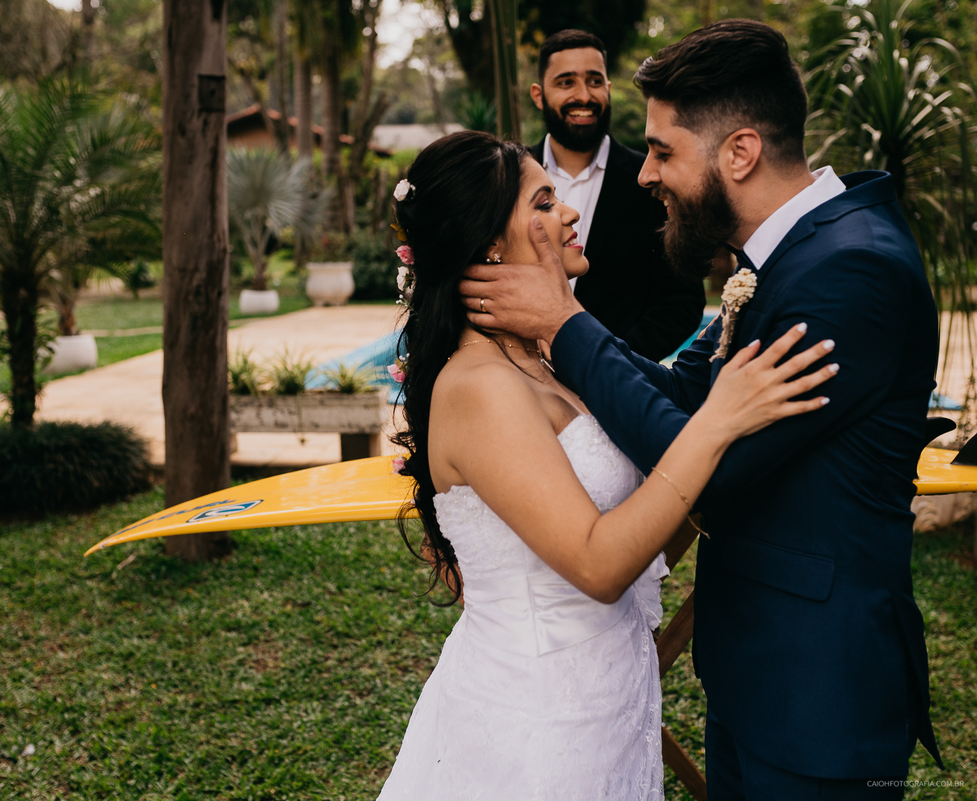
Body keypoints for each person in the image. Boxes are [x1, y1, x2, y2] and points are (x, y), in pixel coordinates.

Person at [459, 20, 942, 799]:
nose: (645, 173)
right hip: (754, 674)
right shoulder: (786, 254)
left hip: (818, 694)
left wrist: (563, 323)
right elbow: (685, 392)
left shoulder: (852, 269)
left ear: (739, 153)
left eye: (662, 150)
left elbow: (705, 466)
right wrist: (557, 345)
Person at [376, 130, 835, 799]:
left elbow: (644, 520)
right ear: (491, 246)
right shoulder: (479, 386)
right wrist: (715, 425)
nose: (568, 214)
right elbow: (597, 562)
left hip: (609, 702)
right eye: (542, 203)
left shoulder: (544, 359)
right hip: (536, 722)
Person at [528, 29, 705, 361]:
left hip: (616, 388)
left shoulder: (655, 182)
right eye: (566, 82)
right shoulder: (509, 179)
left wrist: (612, 365)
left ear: (608, 88)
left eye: (595, 81)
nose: (584, 96)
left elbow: (682, 302)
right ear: (539, 95)